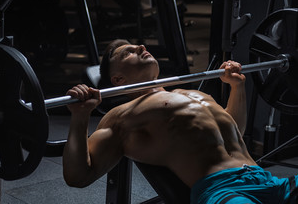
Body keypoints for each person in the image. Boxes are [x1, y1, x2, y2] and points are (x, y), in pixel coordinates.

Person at [63, 39, 297, 203]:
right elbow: (78, 176)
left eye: (138, 46)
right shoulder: (123, 115)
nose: (142, 47)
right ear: (118, 79)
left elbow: (234, 130)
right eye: (129, 52)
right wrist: (80, 116)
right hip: (225, 191)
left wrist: (237, 87)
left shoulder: (192, 93)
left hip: (266, 180)